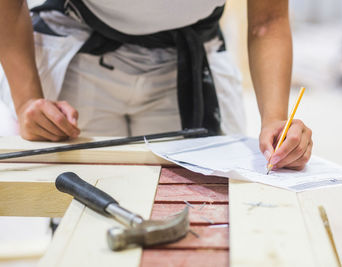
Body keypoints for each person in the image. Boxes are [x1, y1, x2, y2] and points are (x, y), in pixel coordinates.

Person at [0, 0, 312, 171]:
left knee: (197, 199)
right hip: (82, 45)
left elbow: (267, 20)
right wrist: (27, 101)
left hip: (187, 55)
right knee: (82, 196)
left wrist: (274, 119)